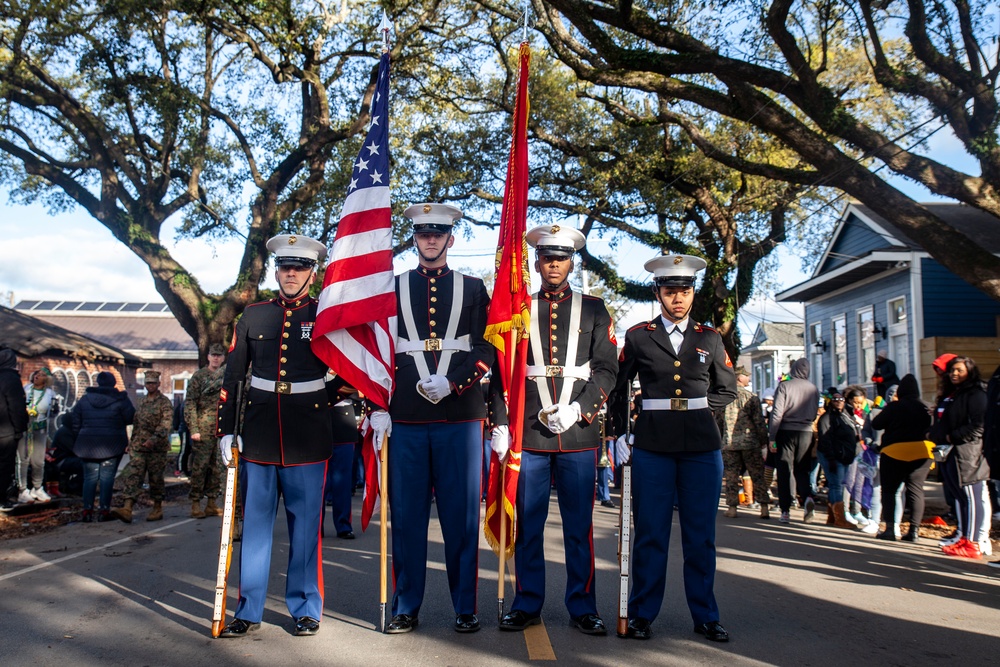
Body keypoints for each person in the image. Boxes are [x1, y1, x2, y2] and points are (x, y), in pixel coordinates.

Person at [490, 224, 618, 636]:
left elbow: (607, 370)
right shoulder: (518, 308)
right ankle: (527, 603)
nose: (554, 264)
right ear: (537, 262)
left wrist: (581, 409)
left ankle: (583, 606)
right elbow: (500, 371)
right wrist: (501, 422)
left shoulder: (595, 309)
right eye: (547, 258)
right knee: (528, 525)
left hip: (577, 435)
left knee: (578, 527)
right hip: (529, 432)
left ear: (572, 261)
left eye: (561, 257)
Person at [375, 203, 494, 635]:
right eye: (423, 234)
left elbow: (488, 348)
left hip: (458, 417)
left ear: (451, 239)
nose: (430, 240)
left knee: (461, 516)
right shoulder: (391, 287)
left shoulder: (475, 288)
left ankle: (465, 606)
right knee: (406, 517)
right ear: (414, 238)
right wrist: (376, 408)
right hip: (405, 415)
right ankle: (406, 604)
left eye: (438, 234)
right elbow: (377, 351)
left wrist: (457, 383)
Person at [215, 233, 340, 638]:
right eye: (285, 266)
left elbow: (347, 371)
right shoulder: (254, 315)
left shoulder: (327, 314)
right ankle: (248, 609)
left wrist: (324, 396)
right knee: (254, 529)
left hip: (308, 435)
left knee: (305, 530)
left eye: (300, 266)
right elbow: (234, 376)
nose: (291, 273)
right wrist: (226, 430)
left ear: (313, 272)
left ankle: (306, 607)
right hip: (260, 435)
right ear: (276, 269)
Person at [609, 254, 737, 643]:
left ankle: (706, 616)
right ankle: (642, 614)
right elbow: (618, 387)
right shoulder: (638, 335)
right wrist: (620, 433)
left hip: (701, 447)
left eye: (684, 291)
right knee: (651, 533)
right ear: (658, 293)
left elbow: (727, 388)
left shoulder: (711, 338)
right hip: (652, 445)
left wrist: (698, 411)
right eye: (670, 292)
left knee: (701, 536)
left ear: (693, 294)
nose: (678, 299)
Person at [930, 356, 991, 559]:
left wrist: (952, 436)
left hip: (969, 453)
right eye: (952, 370)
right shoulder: (953, 393)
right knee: (959, 497)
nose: (954, 374)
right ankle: (963, 535)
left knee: (972, 498)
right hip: (950, 452)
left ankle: (973, 542)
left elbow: (978, 425)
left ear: (970, 371)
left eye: (959, 370)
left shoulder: (976, 393)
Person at [871, 374, 933, 541]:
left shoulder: (895, 407)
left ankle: (890, 529)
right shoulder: (927, 407)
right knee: (916, 490)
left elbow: (876, 424)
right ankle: (914, 531)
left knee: (890, 491)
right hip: (922, 451)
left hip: (894, 451)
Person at [71, 371, 136, 522]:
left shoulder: (85, 400)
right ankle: (104, 511)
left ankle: (87, 510)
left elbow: (75, 421)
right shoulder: (120, 399)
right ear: (113, 383)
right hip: (113, 443)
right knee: (107, 478)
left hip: (87, 444)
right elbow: (130, 417)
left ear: (98, 382)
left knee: (89, 478)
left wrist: (79, 438)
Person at [113, 370, 173, 523]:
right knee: (134, 475)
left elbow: (165, 424)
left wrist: (154, 439)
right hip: (139, 445)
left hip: (157, 448)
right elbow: (137, 424)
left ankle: (157, 507)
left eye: (153, 383)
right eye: (148, 383)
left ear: (158, 384)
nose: (150, 385)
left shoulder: (164, 402)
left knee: (155, 478)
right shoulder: (141, 401)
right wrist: (131, 442)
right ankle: (127, 507)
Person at [768, 359, 820, 524]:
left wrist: (772, 437)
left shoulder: (784, 386)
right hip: (806, 432)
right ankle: (807, 498)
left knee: (784, 469)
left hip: (785, 431)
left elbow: (777, 413)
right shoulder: (813, 389)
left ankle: (785, 510)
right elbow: (813, 414)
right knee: (802, 470)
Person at [716, 365, 770, 519]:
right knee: (757, 474)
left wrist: (719, 440)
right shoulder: (751, 397)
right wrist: (763, 441)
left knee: (731, 476)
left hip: (729, 443)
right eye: (746, 376)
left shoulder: (724, 397)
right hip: (750, 442)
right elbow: (759, 422)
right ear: (739, 378)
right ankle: (764, 507)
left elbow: (718, 421)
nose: (749, 379)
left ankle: (732, 508)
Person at [183, 343, 227, 518]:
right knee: (200, 467)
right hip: (202, 427)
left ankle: (211, 502)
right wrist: (193, 428)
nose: (216, 358)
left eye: (219, 355)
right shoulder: (199, 376)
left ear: (223, 357)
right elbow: (190, 403)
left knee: (216, 467)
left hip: (220, 427)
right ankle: (195, 502)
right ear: (208, 356)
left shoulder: (226, 375)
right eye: (213, 355)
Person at [816, 391, 858, 528]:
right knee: (836, 485)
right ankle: (839, 518)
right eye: (835, 399)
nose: (838, 401)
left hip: (845, 456)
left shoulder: (846, 416)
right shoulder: (826, 418)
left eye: (841, 399)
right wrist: (831, 459)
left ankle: (832, 517)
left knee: (838, 485)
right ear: (830, 402)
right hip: (833, 456)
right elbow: (824, 440)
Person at [325, 388, 361, 539]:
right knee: (318, 482)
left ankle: (343, 524)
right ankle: (315, 525)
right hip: (318, 416)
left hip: (343, 418)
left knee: (343, 481)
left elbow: (355, 387)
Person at [17, 368, 55, 503]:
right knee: (23, 459)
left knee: (38, 461)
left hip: (40, 429)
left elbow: (53, 412)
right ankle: (22, 490)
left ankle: (37, 487)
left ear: (47, 379)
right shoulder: (26, 389)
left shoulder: (50, 394)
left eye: (42, 375)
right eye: (37, 374)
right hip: (25, 428)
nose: (38, 376)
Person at [0, 348, 29, 512]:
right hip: (6, 432)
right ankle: (2, 499)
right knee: (5, 466)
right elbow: (16, 407)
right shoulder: (11, 379)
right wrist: (19, 428)